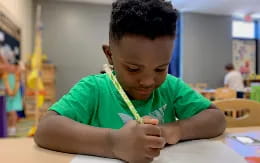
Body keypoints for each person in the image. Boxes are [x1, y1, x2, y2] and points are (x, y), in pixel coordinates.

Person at [34, 0, 226, 162]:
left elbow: (216, 119)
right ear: (110, 55)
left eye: (160, 68)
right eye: (133, 69)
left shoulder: (171, 87)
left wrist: (175, 129)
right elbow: (46, 129)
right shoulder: (94, 89)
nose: (148, 81)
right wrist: (114, 143)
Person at [3, 63, 23, 136]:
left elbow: (21, 69)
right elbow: (6, 85)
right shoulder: (5, 76)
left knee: (13, 113)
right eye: (10, 66)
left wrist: (19, 69)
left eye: (13, 66)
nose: (11, 67)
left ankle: (13, 128)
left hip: (15, 96)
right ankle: (9, 128)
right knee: (9, 113)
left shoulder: (16, 76)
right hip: (8, 96)